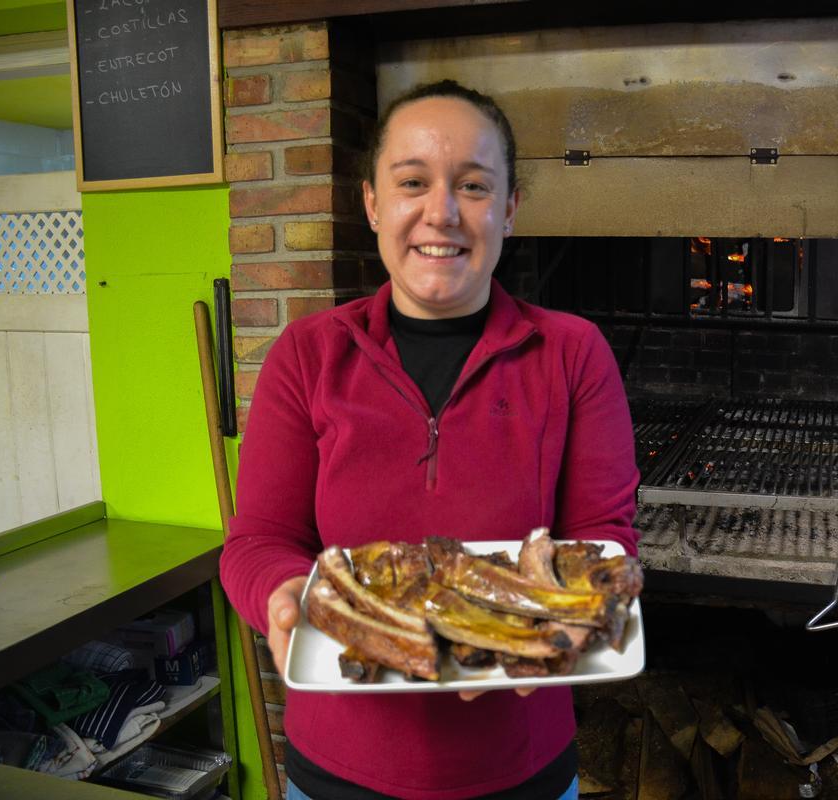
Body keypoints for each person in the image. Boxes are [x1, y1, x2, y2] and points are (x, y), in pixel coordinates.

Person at [218, 79, 640, 800]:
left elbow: (604, 539)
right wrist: (283, 595)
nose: (440, 212)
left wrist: (561, 630)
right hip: (337, 775)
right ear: (374, 203)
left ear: (509, 209)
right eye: (412, 182)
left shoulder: (574, 353)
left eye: (473, 186)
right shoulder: (307, 353)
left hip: (524, 771)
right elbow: (257, 539)